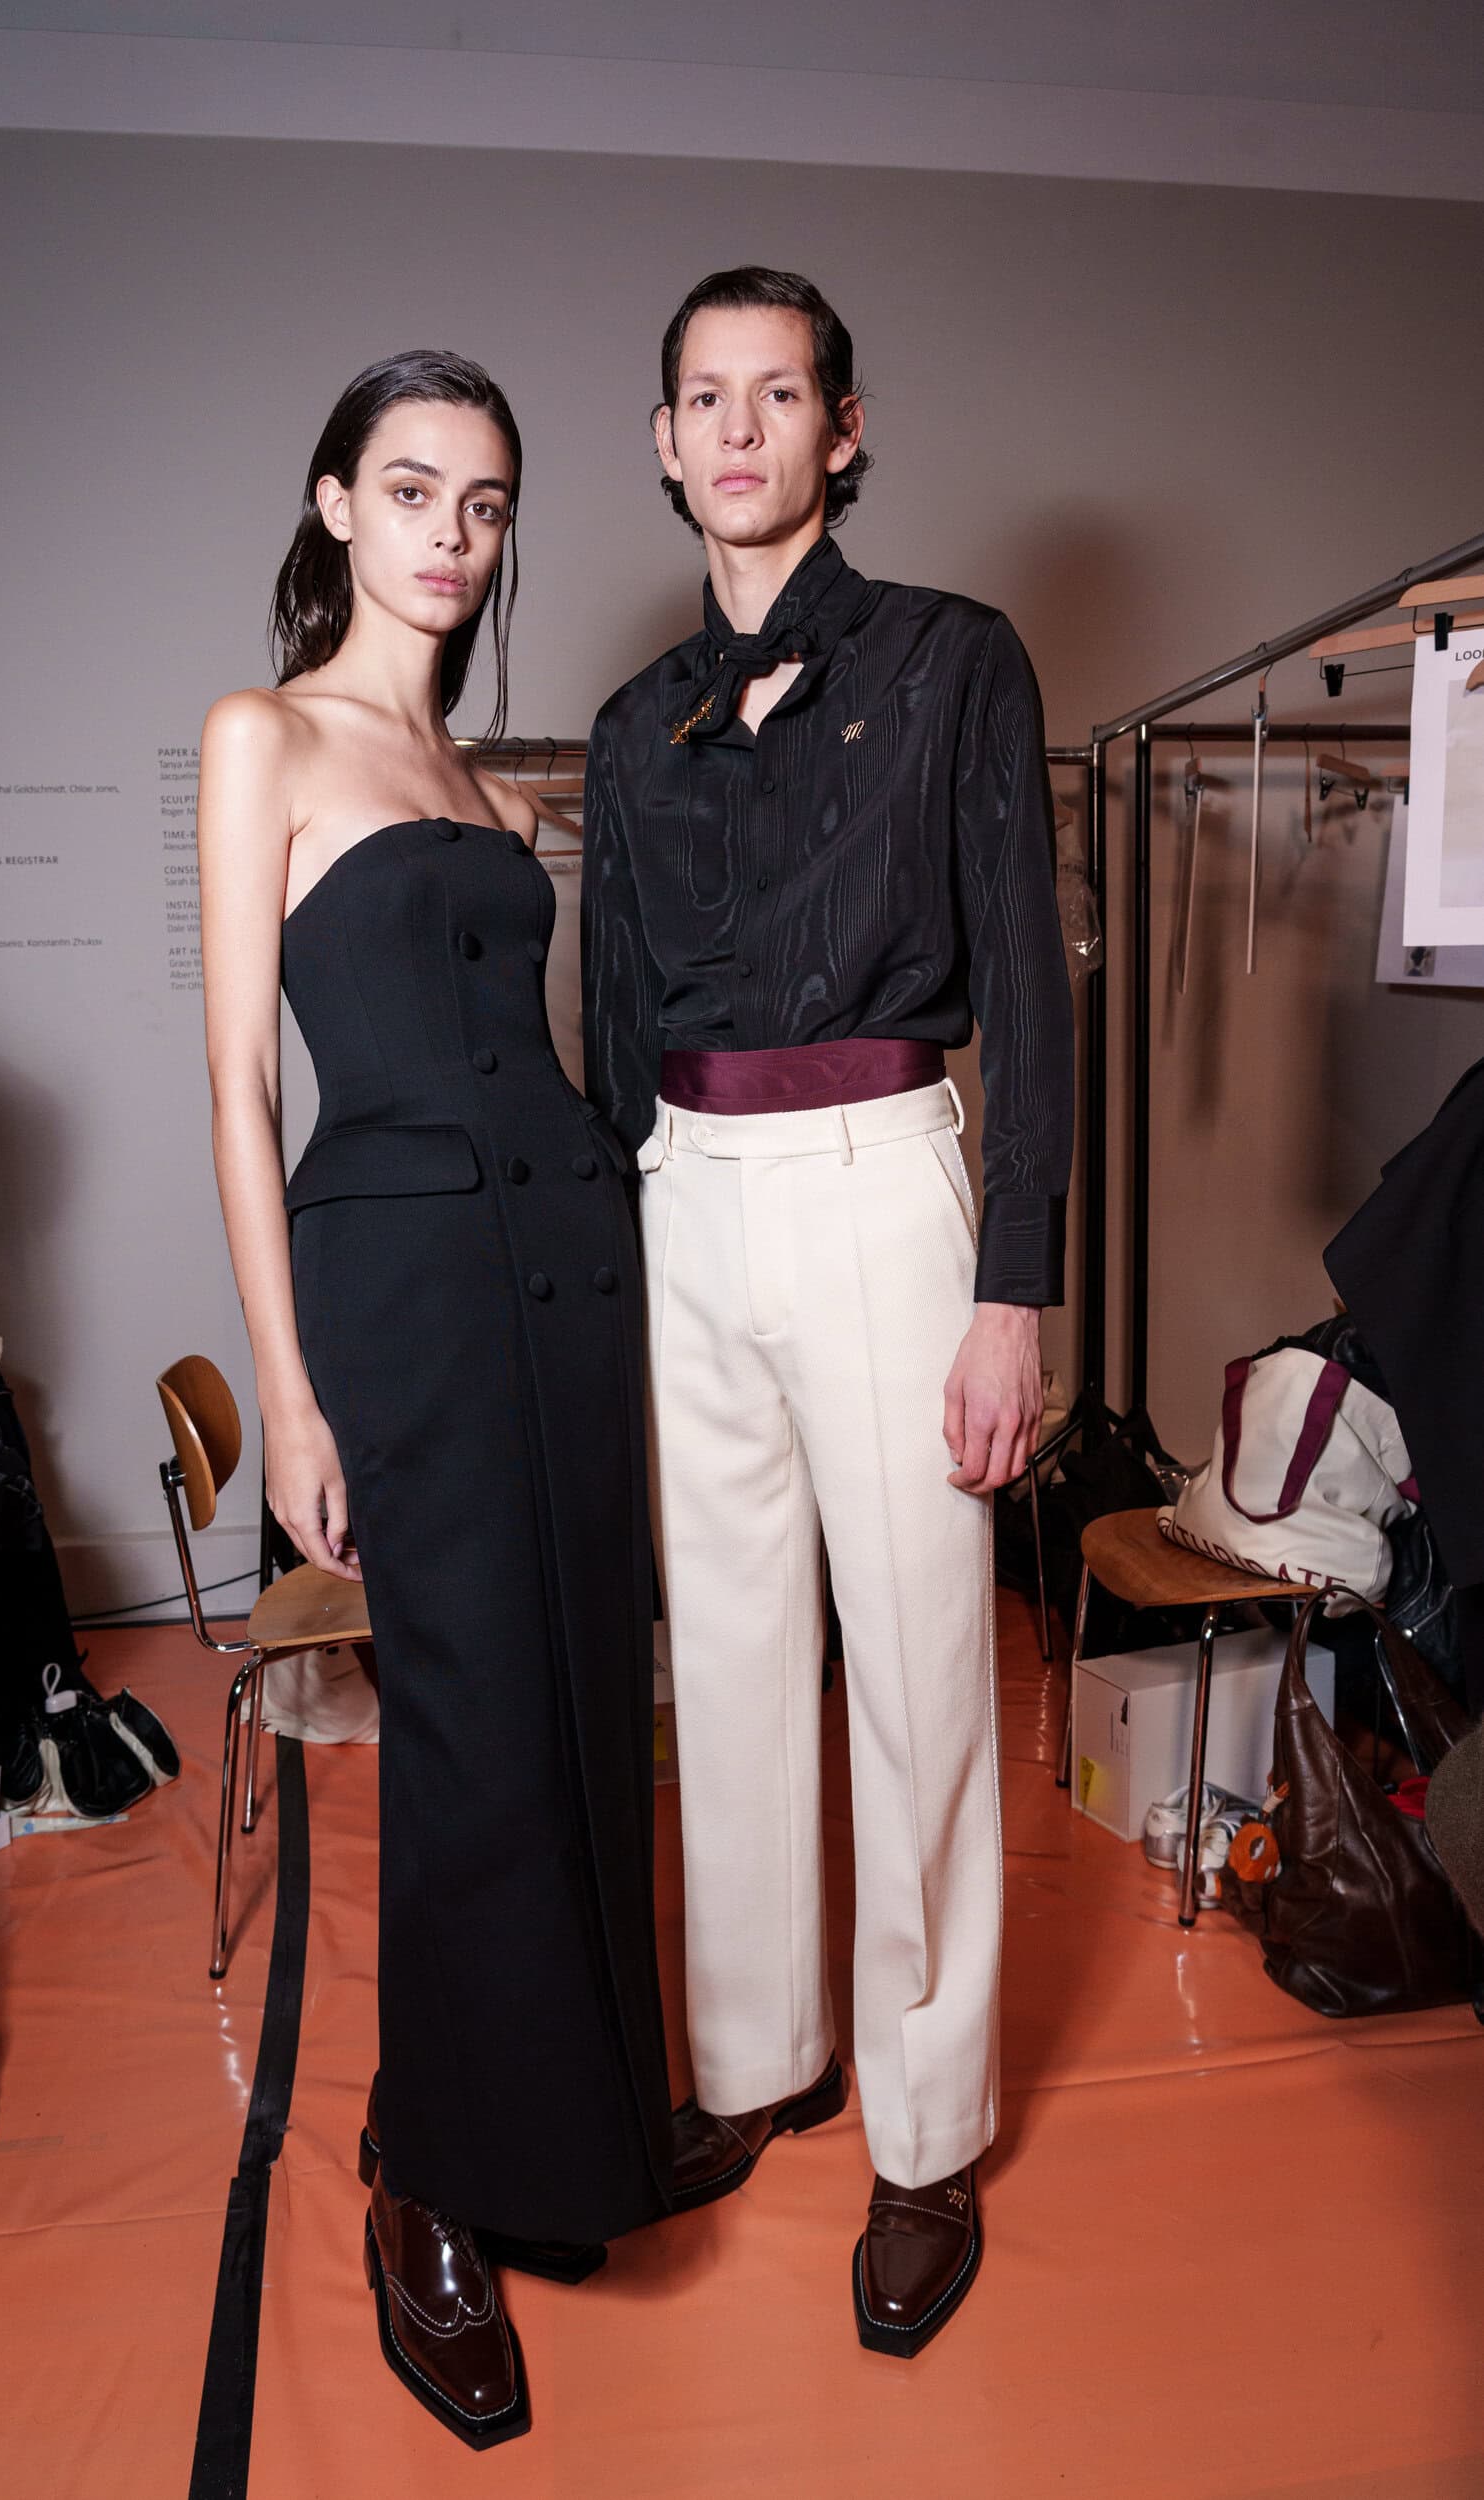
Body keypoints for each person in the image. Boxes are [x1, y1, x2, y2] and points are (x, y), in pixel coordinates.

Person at [583, 269, 1074, 2358]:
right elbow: (609, 1029)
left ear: (838, 429)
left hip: (886, 1180)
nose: (737, 427)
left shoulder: (954, 658)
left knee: (920, 1674)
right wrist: (625, 1256)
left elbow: (1025, 990)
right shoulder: (631, 725)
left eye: (776, 392)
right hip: (683, 1194)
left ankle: (928, 2128)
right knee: (726, 1658)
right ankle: (755, 2055)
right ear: (664, 440)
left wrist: (1012, 1286)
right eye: (703, 396)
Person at [197, 351, 670, 2451]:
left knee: (581, 1707)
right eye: (411, 491)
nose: (453, 537)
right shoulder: (267, 734)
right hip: (403, 1286)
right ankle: (425, 2173)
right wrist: (288, 1388)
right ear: (334, 502)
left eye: (483, 503)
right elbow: (238, 1085)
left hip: (568, 1263)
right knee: (468, 1737)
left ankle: (570, 2133)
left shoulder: (486, 781)